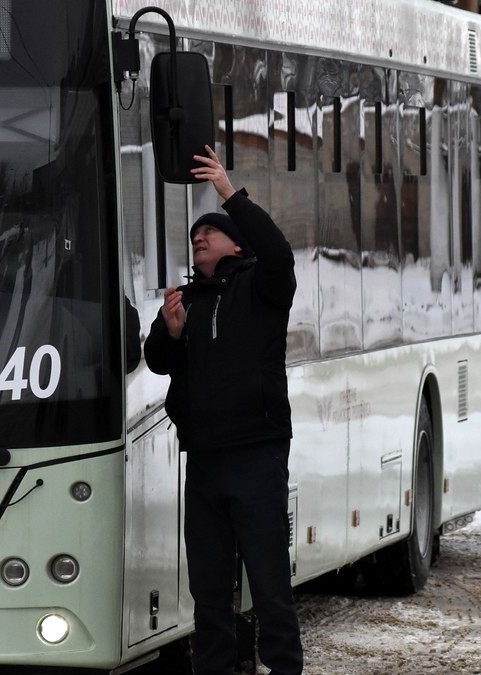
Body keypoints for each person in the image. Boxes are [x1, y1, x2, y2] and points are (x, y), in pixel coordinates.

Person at [144, 146, 302, 675]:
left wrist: (230, 195)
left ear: (237, 242)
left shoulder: (262, 288)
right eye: (194, 236)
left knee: (269, 582)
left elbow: (279, 253)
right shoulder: (185, 301)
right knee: (209, 591)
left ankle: (283, 668)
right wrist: (170, 334)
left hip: (256, 455)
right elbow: (158, 361)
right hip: (206, 462)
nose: (199, 238)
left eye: (209, 231)